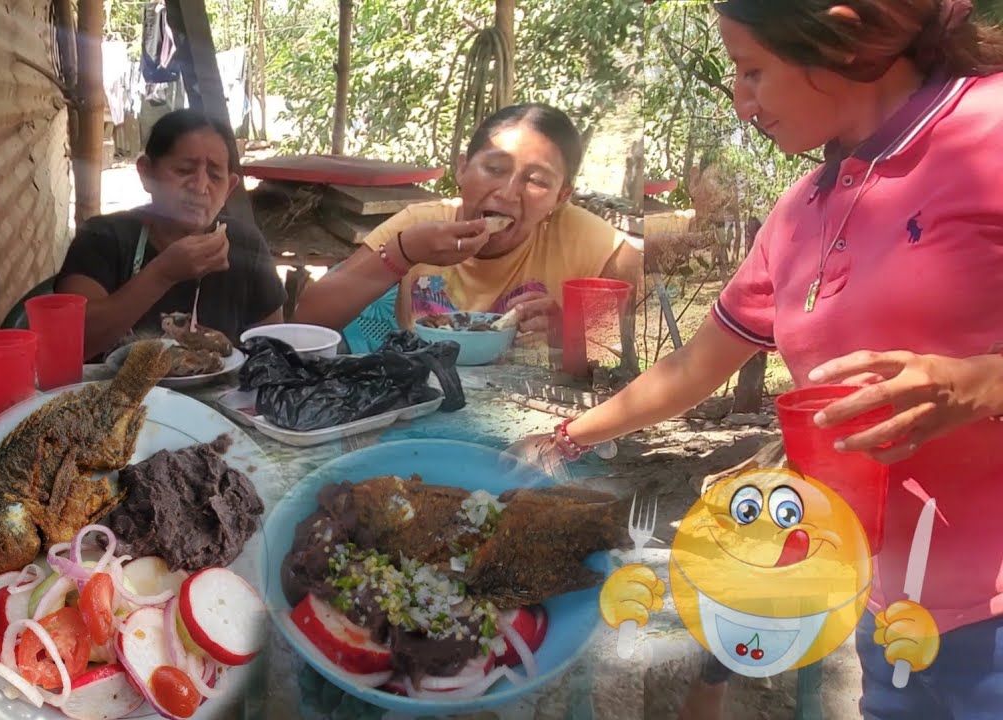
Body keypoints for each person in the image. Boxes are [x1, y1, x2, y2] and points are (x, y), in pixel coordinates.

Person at [516, 1, 1003, 717]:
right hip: (895, 608)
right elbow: (697, 366)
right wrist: (564, 438)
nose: (742, 107)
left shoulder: (987, 130)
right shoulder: (806, 208)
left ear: (833, 34)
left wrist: (983, 382)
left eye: (752, 72)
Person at [293, 103, 643, 346]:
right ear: (462, 168)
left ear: (561, 197)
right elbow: (306, 321)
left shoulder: (588, 241)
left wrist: (569, 332)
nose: (508, 193)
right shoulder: (420, 226)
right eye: (494, 169)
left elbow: (619, 351)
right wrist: (402, 254)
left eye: (536, 180)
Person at [55, 109, 286, 359]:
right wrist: (162, 274)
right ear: (147, 173)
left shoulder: (245, 245)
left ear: (229, 189)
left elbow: (271, 350)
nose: (200, 187)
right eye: (184, 170)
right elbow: (70, 341)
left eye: (215, 175)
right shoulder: (102, 237)